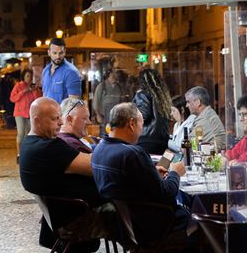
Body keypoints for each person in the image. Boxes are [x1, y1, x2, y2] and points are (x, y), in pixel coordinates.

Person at [91, 103, 193, 240]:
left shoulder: (99, 149)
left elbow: (129, 182)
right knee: (198, 218)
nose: (142, 129)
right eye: (142, 124)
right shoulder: (132, 154)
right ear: (132, 123)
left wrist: (151, 172)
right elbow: (167, 194)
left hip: (122, 226)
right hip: (151, 226)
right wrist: (175, 172)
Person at [19, 98, 101, 252]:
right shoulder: (49, 147)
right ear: (37, 120)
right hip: (78, 218)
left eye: (60, 117)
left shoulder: (29, 144)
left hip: (62, 219)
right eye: (55, 119)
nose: (61, 123)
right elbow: (96, 166)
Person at [132, 68, 172, 155]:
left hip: (146, 139)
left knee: (145, 167)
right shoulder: (162, 96)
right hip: (162, 140)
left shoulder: (142, 94)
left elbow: (143, 115)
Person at [10, 69, 41, 160]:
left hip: (30, 113)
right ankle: (19, 154)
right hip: (19, 113)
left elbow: (38, 99)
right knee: (21, 133)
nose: (29, 78)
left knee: (29, 134)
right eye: (27, 76)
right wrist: (24, 91)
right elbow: (12, 98)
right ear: (23, 77)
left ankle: (27, 153)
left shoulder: (34, 87)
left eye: (31, 76)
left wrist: (35, 90)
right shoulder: (18, 86)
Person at [40, 38, 83, 104]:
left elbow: (73, 104)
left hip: (62, 114)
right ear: (49, 52)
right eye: (55, 53)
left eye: (61, 53)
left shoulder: (71, 72)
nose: (58, 56)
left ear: (65, 52)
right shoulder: (45, 71)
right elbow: (44, 94)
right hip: (47, 113)